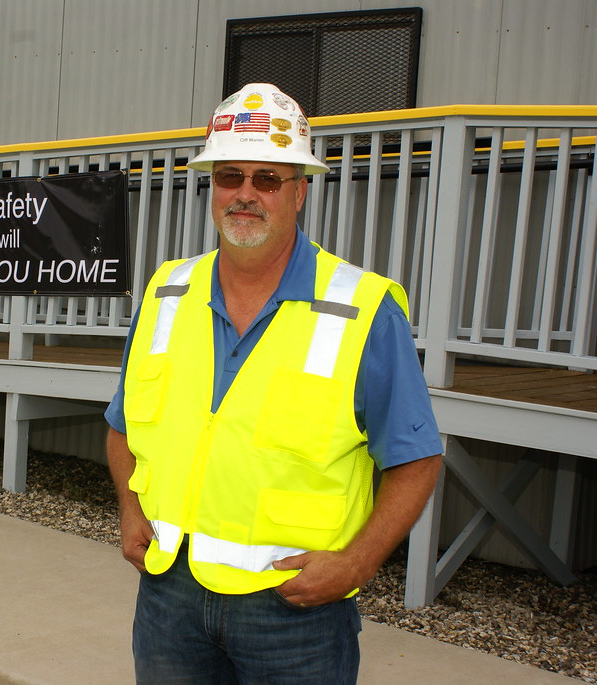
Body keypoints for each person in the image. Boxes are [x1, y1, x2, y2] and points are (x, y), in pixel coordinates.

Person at [104, 83, 443, 684]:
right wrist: (131, 513)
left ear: (300, 191)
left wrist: (356, 563)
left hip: (294, 610)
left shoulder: (362, 309)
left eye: (267, 179)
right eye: (230, 175)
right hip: (170, 595)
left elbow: (416, 458)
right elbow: (122, 425)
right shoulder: (166, 293)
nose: (245, 194)